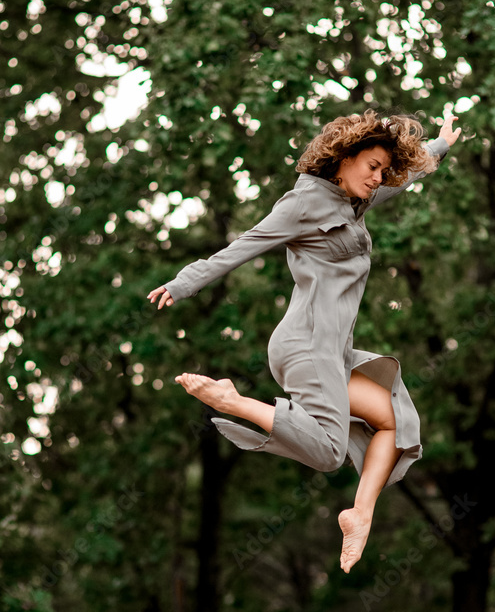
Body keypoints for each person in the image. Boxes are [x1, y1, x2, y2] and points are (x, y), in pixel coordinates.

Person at [148, 108, 461, 573]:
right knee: (331, 453)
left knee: (397, 423)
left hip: (331, 352)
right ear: (344, 158)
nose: (378, 178)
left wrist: (439, 146)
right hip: (305, 345)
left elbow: (401, 183)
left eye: (381, 169)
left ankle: (360, 514)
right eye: (371, 167)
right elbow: (243, 247)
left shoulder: (352, 201)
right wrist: (182, 283)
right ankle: (234, 401)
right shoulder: (302, 204)